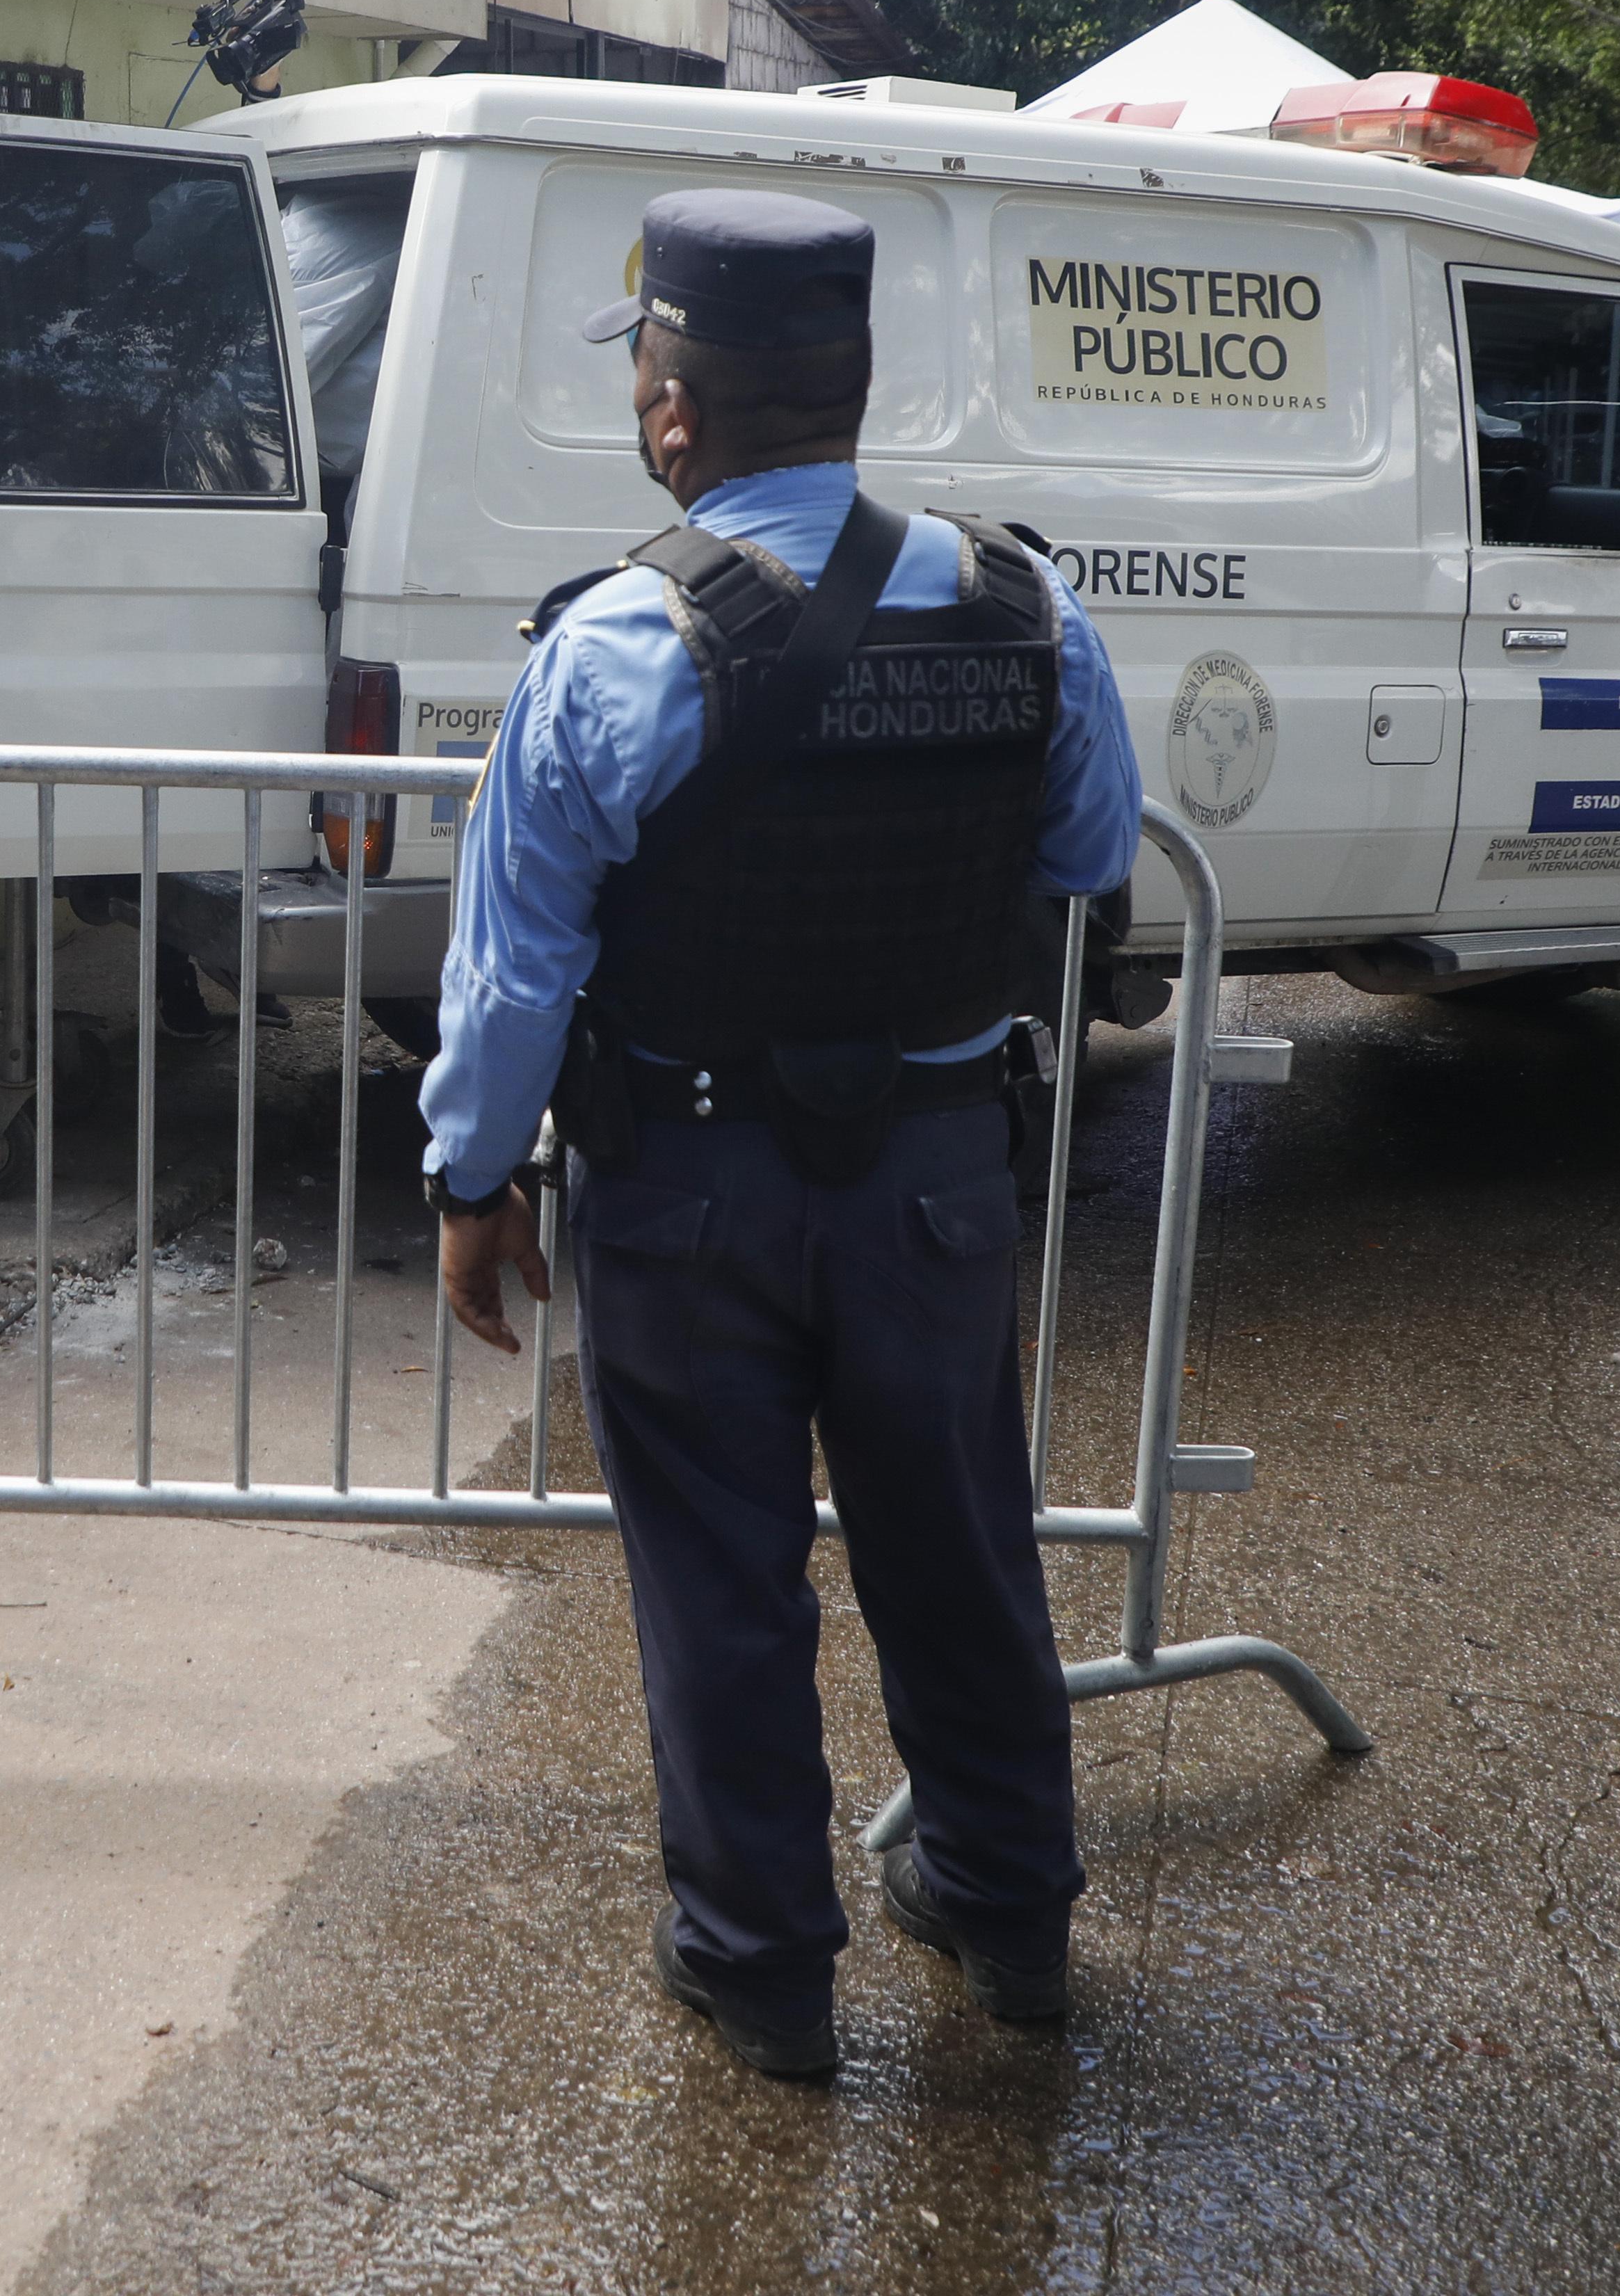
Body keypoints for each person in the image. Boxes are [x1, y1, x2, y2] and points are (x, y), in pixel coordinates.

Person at [419, 191, 1142, 2082]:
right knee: (963, 1549)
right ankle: (1010, 1917)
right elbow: (1085, 862)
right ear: (858, 384)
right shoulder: (1029, 610)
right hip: (932, 1177)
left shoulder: (605, 651)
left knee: (723, 1586)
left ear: (672, 411)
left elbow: (512, 977)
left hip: (688, 1188)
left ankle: (760, 1972)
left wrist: (471, 1184)